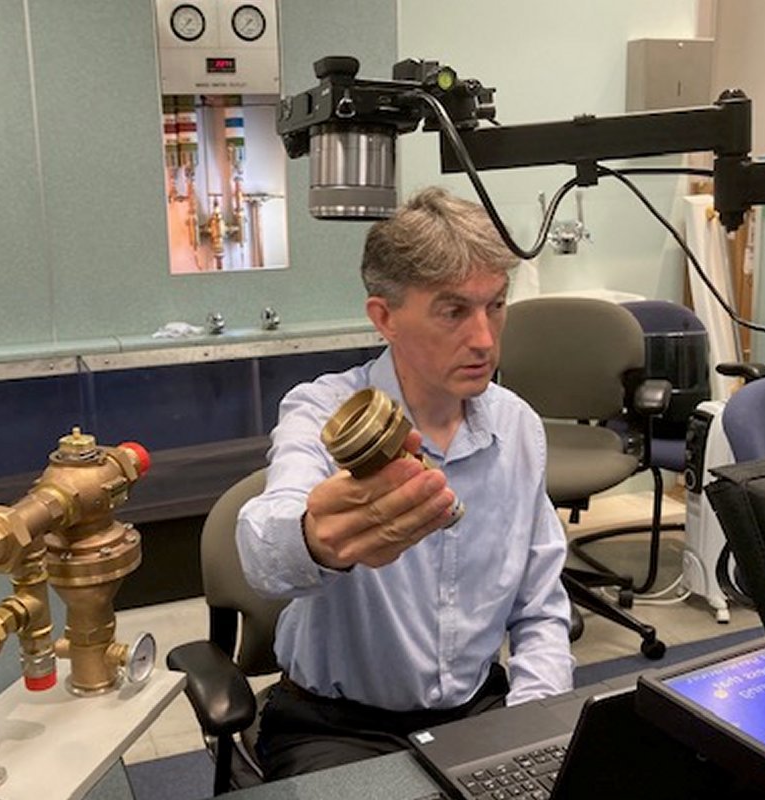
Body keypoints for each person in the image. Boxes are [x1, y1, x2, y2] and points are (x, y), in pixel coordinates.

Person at [236, 186, 574, 780]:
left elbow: (541, 609)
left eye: (496, 304)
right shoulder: (323, 413)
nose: (485, 339)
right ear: (384, 317)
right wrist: (316, 541)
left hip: (478, 710)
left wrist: (534, 728)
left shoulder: (517, 426)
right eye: (453, 311)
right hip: (337, 726)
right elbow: (264, 549)